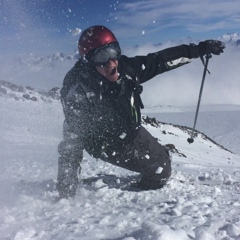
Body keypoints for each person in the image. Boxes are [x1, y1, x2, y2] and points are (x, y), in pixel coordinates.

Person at [57, 25, 225, 198]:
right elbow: (72, 138)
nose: (112, 63)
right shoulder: (78, 91)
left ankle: (153, 161)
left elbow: (159, 61)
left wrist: (197, 50)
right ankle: (135, 195)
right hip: (109, 144)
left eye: (114, 52)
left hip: (131, 130)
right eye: (102, 57)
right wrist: (66, 189)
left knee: (163, 160)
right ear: (89, 62)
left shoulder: (127, 69)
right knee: (161, 172)